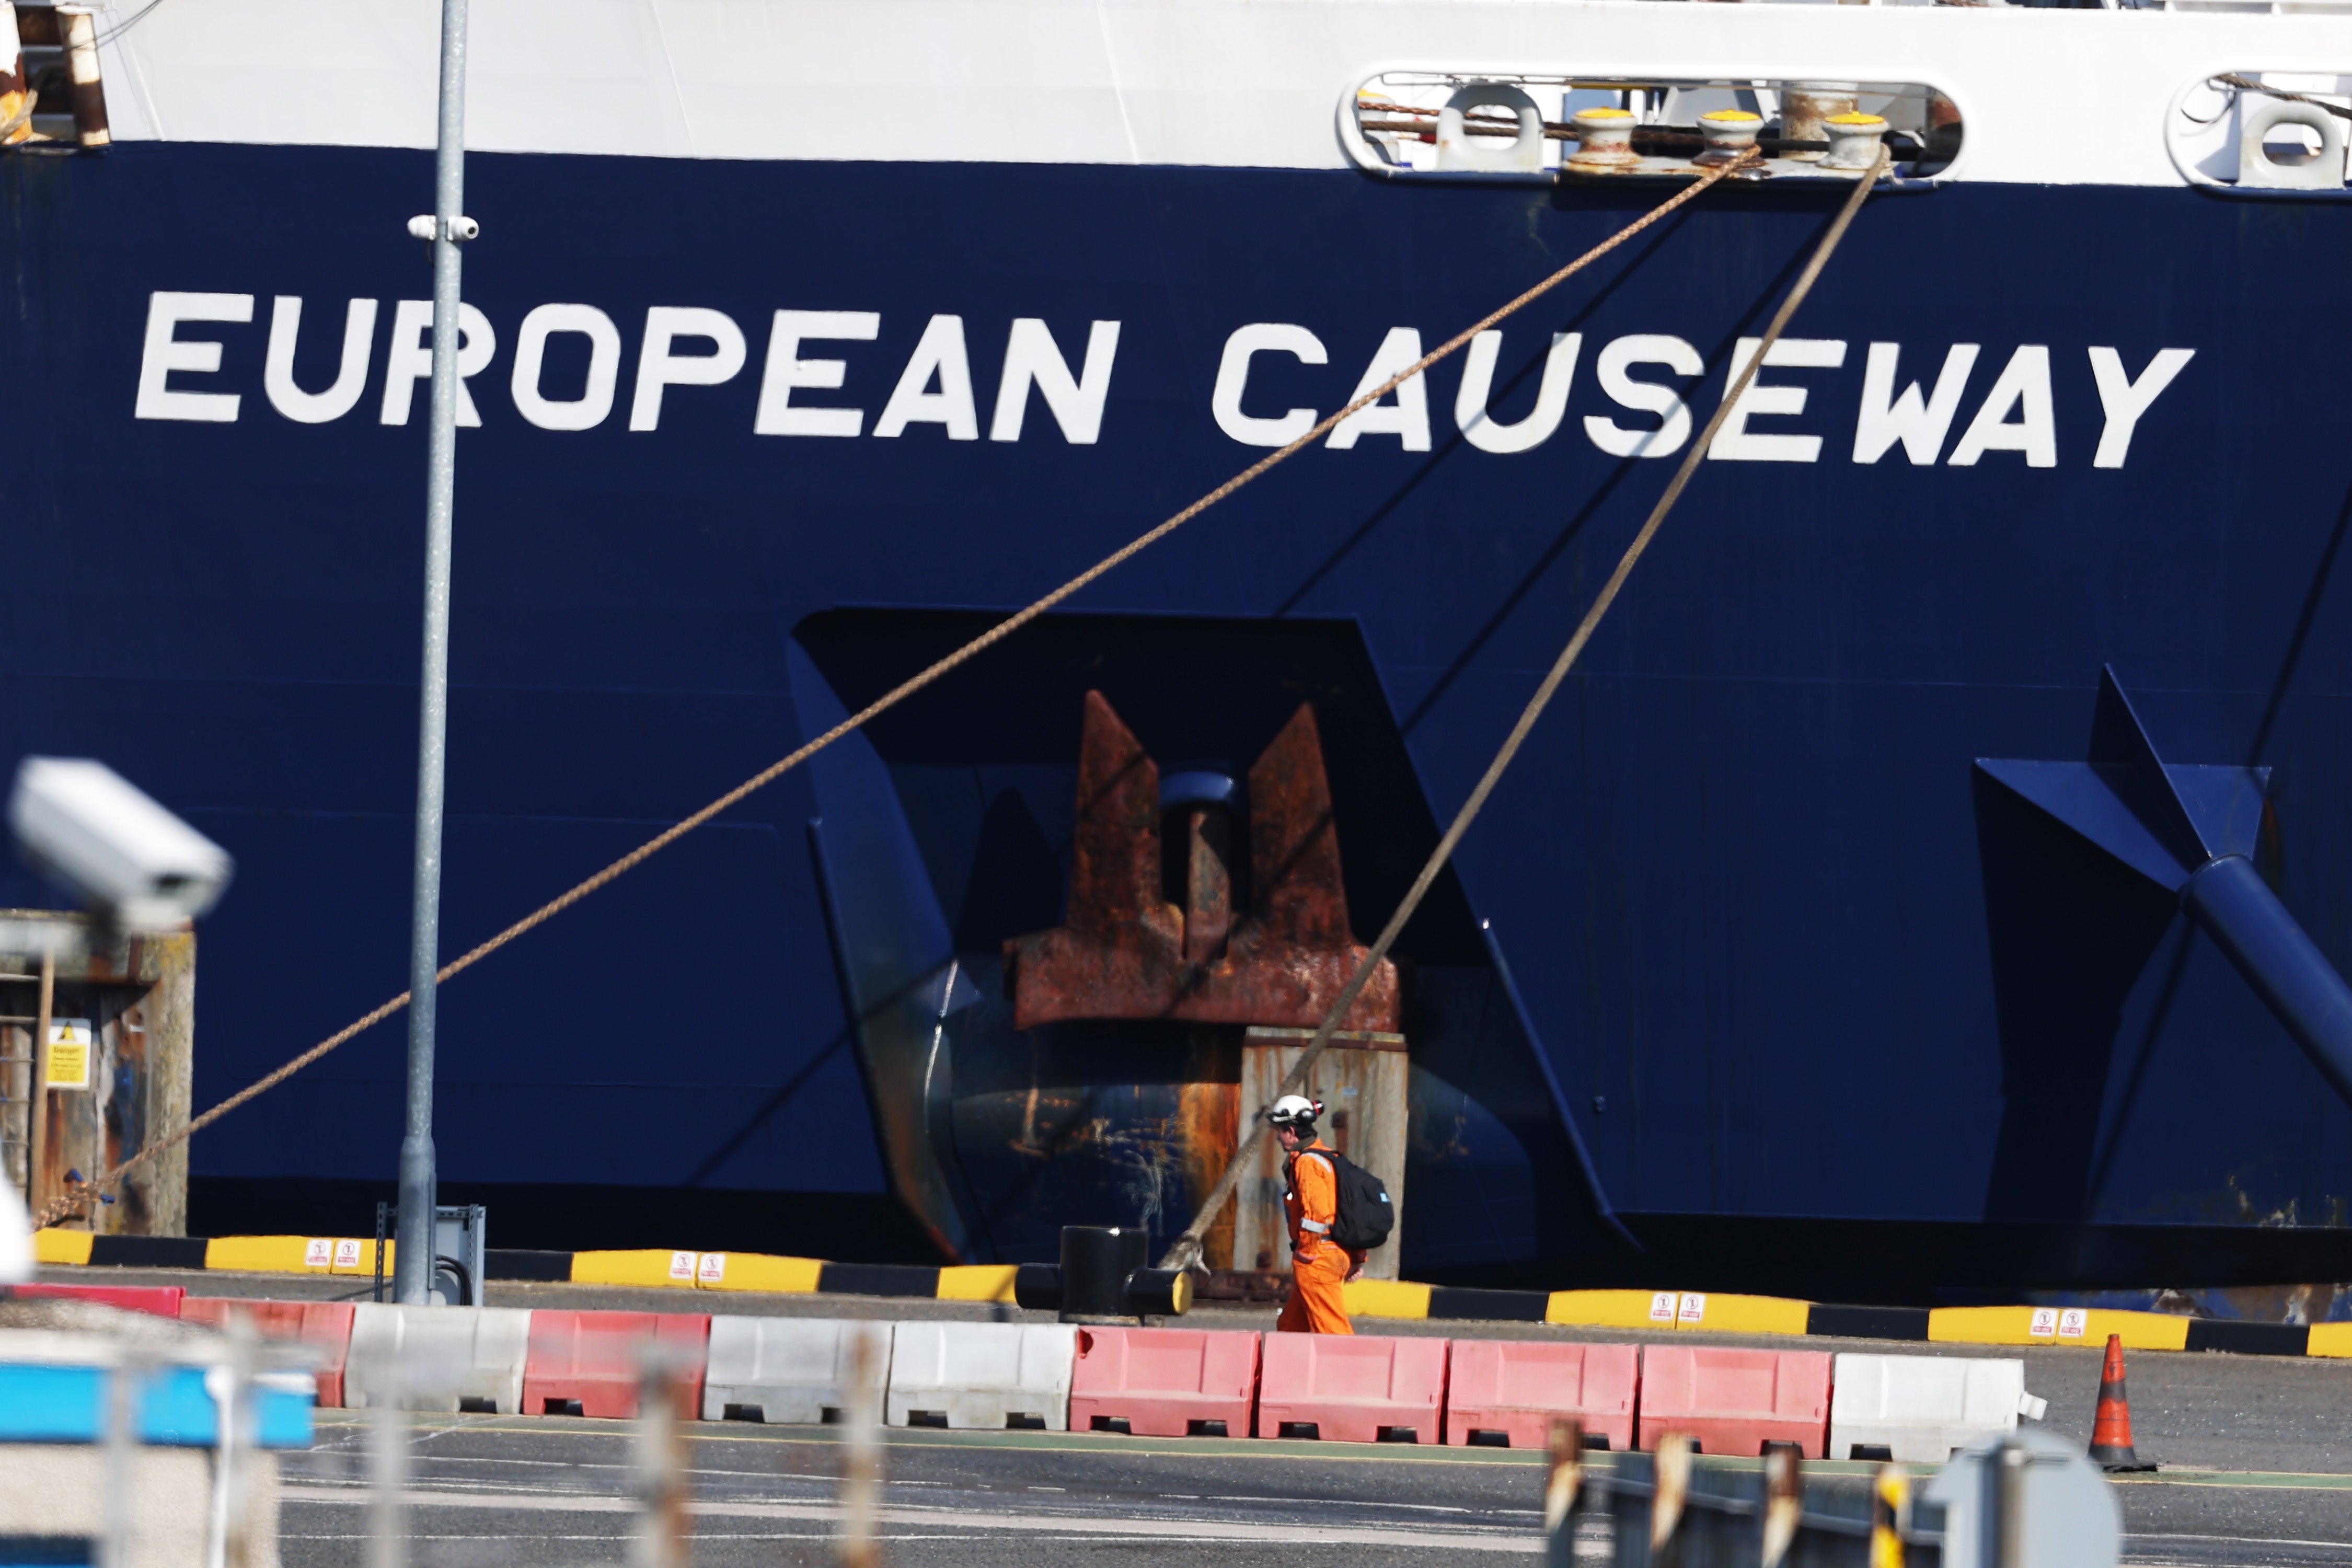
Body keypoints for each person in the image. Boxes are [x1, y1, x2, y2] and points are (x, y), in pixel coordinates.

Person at [1267, 1094, 1364, 1334]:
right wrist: (1358, 1257)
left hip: (1318, 1259)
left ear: (1290, 1131)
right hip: (1337, 1251)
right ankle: (1286, 1371)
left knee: (1333, 1333)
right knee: (1290, 1327)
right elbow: (1351, 1209)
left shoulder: (1307, 1164)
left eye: (1279, 1131)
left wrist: (1306, 1255)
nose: (1278, 1137)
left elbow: (1317, 1215)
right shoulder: (1329, 1158)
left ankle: (1356, 1372)